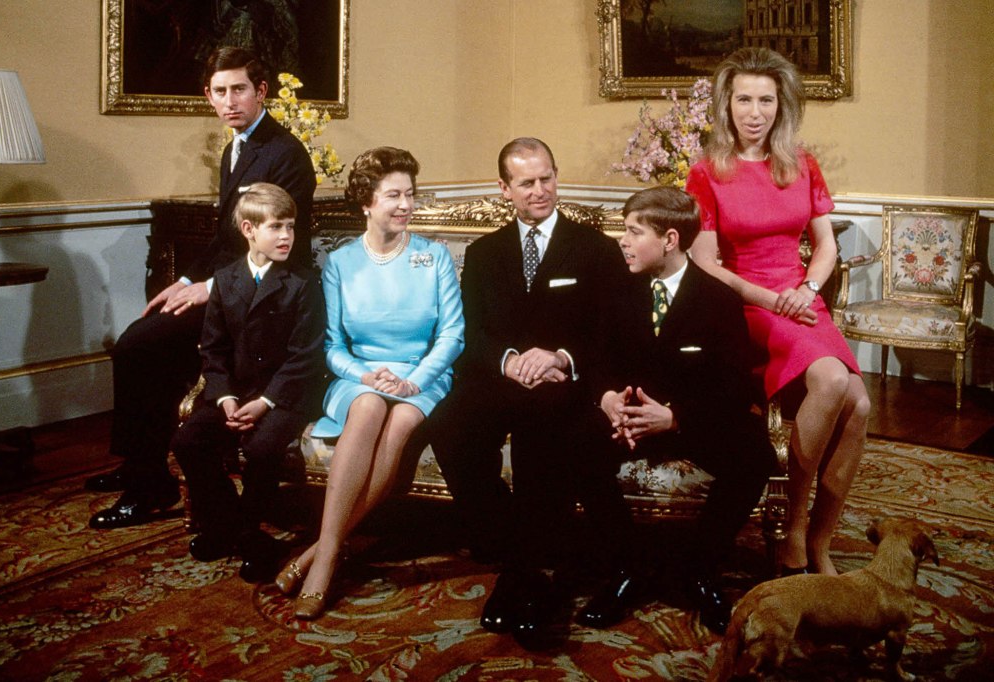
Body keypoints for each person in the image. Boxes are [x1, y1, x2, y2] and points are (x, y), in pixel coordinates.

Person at [87, 46, 317, 530]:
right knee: (140, 339)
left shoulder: (285, 153)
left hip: (261, 298)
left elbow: (281, 246)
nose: (229, 101)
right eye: (219, 92)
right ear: (208, 97)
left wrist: (211, 288)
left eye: (239, 90)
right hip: (227, 285)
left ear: (261, 92)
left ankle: (150, 483)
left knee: (140, 346)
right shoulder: (236, 147)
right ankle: (144, 467)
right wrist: (187, 281)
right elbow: (225, 236)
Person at [429, 138, 638, 642]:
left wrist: (562, 357)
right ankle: (509, 541)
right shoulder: (484, 253)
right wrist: (508, 361)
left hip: (565, 383)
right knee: (448, 426)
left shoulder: (594, 249)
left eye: (547, 178)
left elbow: (613, 332)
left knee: (541, 426)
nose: (540, 190)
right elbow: (473, 332)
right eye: (527, 183)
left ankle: (529, 572)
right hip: (503, 377)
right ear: (505, 189)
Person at [686, 47, 870, 577]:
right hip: (748, 304)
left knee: (859, 407)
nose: (754, 112)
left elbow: (826, 246)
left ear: (780, 105)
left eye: (766, 100)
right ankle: (791, 529)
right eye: (744, 99)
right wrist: (773, 300)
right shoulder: (706, 172)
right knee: (835, 380)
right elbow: (706, 265)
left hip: (801, 299)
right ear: (727, 104)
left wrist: (808, 289)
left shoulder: (801, 163)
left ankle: (821, 541)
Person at [274, 148, 465, 620]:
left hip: (424, 377)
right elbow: (332, 345)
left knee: (398, 421)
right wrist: (364, 375)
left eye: (410, 195)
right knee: (367, 408)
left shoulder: (433, 255)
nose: (405, 205)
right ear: (366, 203)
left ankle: (317, 555)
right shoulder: (340, 263)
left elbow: (453, 334)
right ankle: (326, 561)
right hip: (358, 376)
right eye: (393, 195)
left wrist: (414, 381)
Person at [588, 186, 775, 634]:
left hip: (690, 421)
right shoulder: (615, 290)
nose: (623, 241)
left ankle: (700, 567)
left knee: (755, 458)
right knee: (571, 444)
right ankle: (627, 566)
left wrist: (673, 417)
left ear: (670, 239)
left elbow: (733, 387)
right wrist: (609, 400)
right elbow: (596, 361)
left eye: (634, 232)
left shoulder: (718, 300)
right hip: (627, 420)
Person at [169, 183, 325, 582]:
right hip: (233, 393)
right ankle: (230, 526)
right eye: (276, 227)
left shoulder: (303, 283)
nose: (286, 236)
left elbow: (304, 357)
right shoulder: (225, 279)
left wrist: (266, 402)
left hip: (286, 395)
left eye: (290, 226)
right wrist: (223, 398)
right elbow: (214, 350)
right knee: (188, 440)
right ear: (248, 229)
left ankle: (250, 532)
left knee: (261, 447)